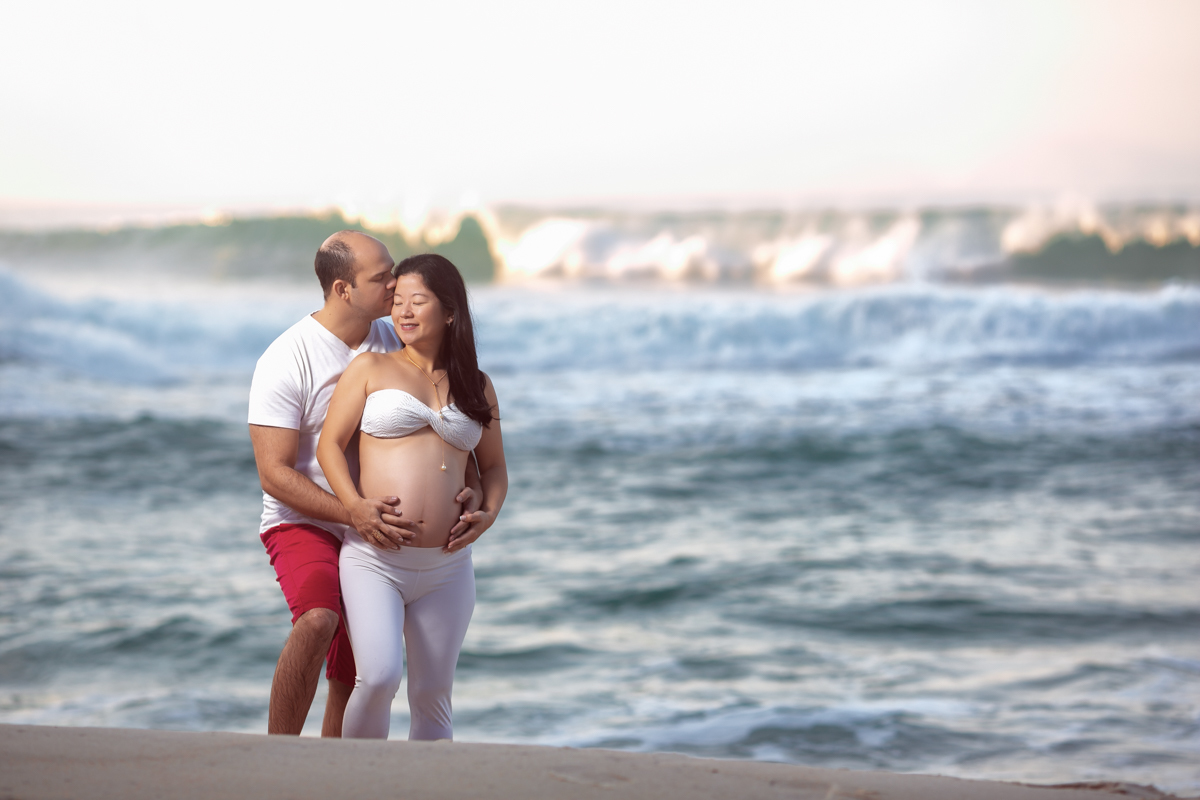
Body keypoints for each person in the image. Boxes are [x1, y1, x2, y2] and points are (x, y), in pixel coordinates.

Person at [248, 232, 481, 736]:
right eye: (382, 279)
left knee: (358, 666)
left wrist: (476, 489)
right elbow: (274, 473)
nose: (395, 285)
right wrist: (351, 510)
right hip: (307, 519)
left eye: (394, 271)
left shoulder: (394, 336)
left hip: (377, 527)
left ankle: (336, 768)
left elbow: (451, 420)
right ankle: (277, 755)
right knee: (318, 620)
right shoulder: (287, 358)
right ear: (342, 289)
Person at [317, 252, 508, 740]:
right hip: (375, 559)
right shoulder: (370, 368)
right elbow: (329, 447)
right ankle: (357, 786)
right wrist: (355, 507)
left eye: (416, 301)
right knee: (378, 677)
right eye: (397, 300)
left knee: (433, 696)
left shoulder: (477, 384)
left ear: (448, 311)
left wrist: (488, 512)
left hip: (447, 566)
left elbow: (494, 467)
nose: (402, 311)